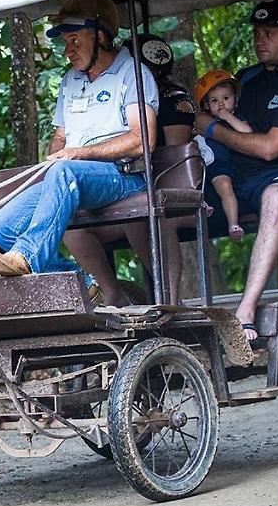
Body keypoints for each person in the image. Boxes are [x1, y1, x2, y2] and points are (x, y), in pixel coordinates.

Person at [0, 0, 159, 295]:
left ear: (101, 36)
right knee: (2, 226)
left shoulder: (134, 74)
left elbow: (143, 140)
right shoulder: (70, 80)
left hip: (124, 175)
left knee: (66, 173)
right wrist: (57, 157)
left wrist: (79, 155)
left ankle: (26, 255)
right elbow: (60, 138)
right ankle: (81, 281)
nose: (68, 50)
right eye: (66, 42)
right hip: (72, 178)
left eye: (75, 40)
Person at [194, 0, 278, 343]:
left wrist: (211, 129)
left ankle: (245, 312)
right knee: (175, 203)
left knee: (276, 197)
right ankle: (167, 316)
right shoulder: (246, 80)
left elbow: (270, 149)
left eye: (269, 33)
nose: (260, 40)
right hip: (237, 179)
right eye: (257, 33)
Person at [63, 33, 194, 304]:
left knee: (139, 213)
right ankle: (111, 295)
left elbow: (174, 155)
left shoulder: (172, 98)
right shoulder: (113, 93)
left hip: (159, 185)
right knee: (74, 226)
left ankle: (170, 300)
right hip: (116, 183)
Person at [194, 69, 255, 243]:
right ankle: (200, 205)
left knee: (225, 188)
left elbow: (247, 132)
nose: (221, 104)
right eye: (214, 100)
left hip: (220, 166)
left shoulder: (236, 119)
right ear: (206, 105)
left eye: (226, 98)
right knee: (190, 182)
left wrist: (228, 117)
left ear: (235, 99)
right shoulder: (204, 122)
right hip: (202, 166)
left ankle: (233, 224)